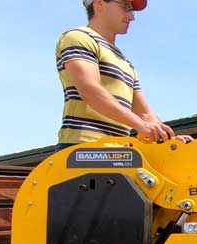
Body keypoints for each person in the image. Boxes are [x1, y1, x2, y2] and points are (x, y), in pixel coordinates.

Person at [55, 0, 176, 151]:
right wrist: (139, 124)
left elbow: (145, 113)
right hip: (83, 147)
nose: (131, 16)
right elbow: (90, 90)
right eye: (125, 8)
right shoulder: (79, 38)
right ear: (99, 4)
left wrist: (170, 140)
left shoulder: (126, 63)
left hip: (118, 152)